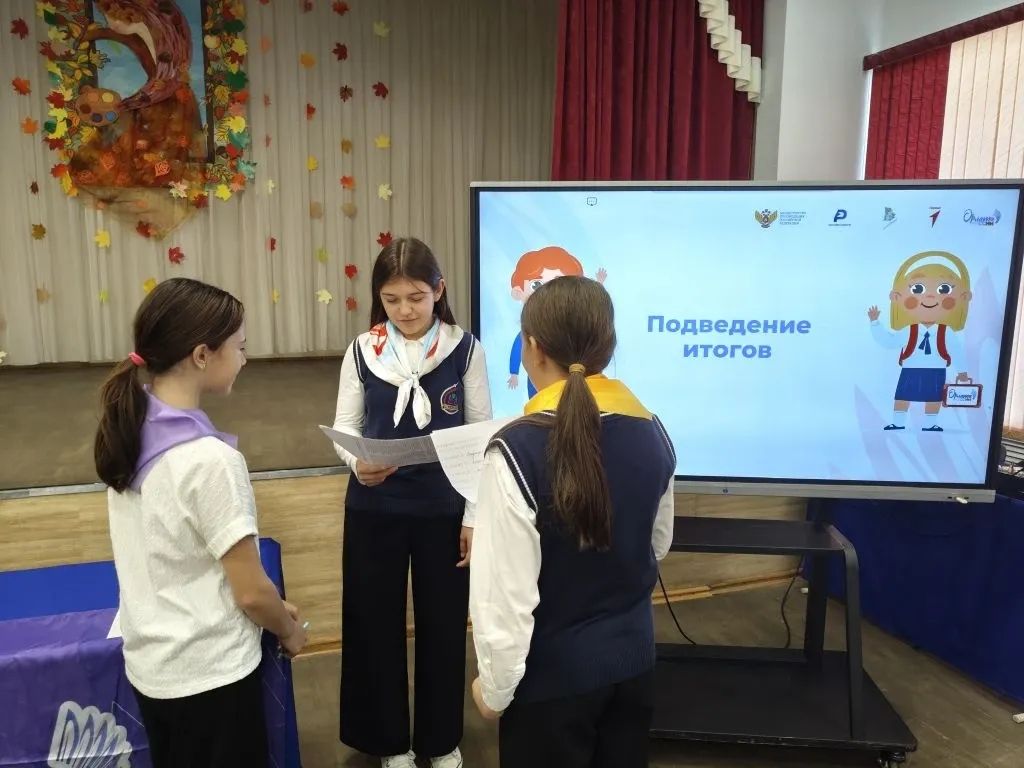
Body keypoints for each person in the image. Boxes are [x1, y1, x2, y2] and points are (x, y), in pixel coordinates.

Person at [94, 277, 307, 768]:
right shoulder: (209, 461)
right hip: (211, 675)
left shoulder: (128, 428)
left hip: (153, 667)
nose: (245, 359)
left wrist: (273, 607)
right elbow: (250, 593)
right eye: (240, 347)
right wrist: (288, 629)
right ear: (202, 355)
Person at [469, 275, 675, 768]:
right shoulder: (653, 430)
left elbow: (505, 597)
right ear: (608, 345)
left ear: (533, 348)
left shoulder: (516, 450)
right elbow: (658, 543)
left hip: (550, 687)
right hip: (634, 667)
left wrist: (494, 690)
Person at [332, 237, 492, 768]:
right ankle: (389, 744)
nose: (404, 310)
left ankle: (440, 741)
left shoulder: (465, 350)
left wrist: (474, 517)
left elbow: (480, 437)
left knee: (443, 627)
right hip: (374, 507)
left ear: (439, 290)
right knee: (373, 625)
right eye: (392, 299)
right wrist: (357, 462)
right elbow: (345, 426)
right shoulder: (363, 349)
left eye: (416, 297)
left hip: (443, 510)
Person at [867, 251, 973, 432]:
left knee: (934, 397)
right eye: (917, 289)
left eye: (944, 290)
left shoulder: (946, 331)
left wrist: (962, 371)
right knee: (903, 396)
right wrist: (875, 323)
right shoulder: (909, 330)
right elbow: (889, 342)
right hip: (910, 369)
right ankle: (898, 423)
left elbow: (956, 351)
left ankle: (930, 425)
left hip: (936, 370)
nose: (930, 297)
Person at [506, 246, 606, 398]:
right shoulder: (644, 417)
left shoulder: (530, 415)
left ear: (533, 348)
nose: (550, 296)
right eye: (536, 285)